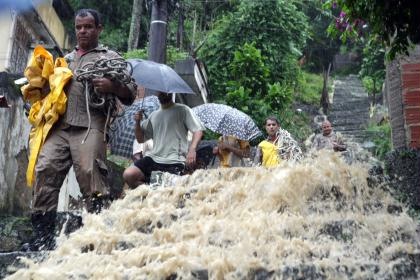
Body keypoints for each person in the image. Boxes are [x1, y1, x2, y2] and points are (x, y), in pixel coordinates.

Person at [25, 9, 136, 251]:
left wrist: (113, 85)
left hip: (90, 125)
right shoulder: (63, 60)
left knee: (90, 173)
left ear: (99, 29)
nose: (82, 31)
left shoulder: (111, 57)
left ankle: (98, 238)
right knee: (44, 169)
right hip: (60, 127)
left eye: (88, 27)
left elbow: (130, 94)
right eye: (79, 27)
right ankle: (42, 239)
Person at [123, 92, 205, 188]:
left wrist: (192, 150)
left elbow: (198, 131)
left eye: (165, 91)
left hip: (173, 160)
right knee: (129, 174)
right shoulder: (154, 115)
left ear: (171, 93)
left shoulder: (183, 110)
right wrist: (137, 122)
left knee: (157, 187)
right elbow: (140, 139)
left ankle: (152, 192)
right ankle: (147, 192)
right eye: (160, 91)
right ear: (157, 93)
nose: (163, 93)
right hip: (154, 158)